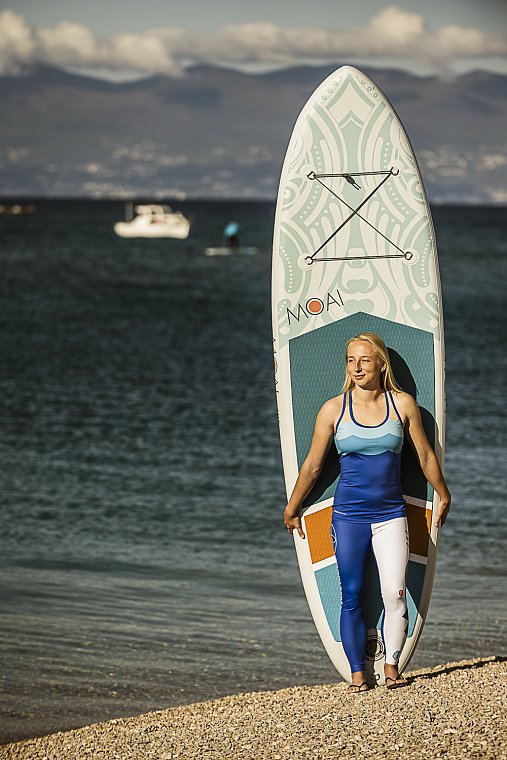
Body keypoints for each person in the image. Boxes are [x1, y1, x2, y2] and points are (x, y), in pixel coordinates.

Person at [283, 332, 451, 692]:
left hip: (391, 514)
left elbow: (424, 456)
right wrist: (293, 506)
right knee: (352, 593)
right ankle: (358, 671)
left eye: (364, 360)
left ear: (380, 364)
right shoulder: (333, 409)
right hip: (348, 517)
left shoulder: (402, 405)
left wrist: (443, 493)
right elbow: (313, 466)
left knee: (393, 591)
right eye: (350, 360)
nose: (356, 367)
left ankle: (391, 665)